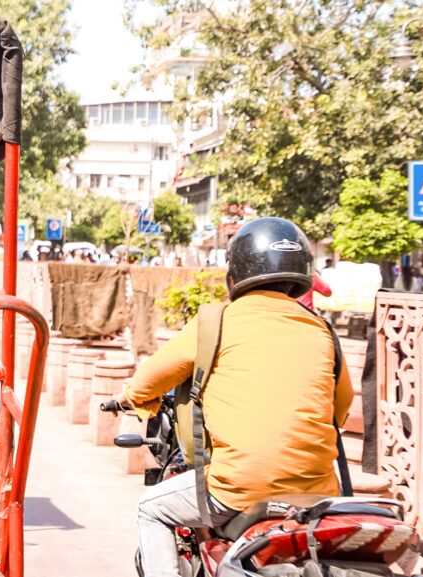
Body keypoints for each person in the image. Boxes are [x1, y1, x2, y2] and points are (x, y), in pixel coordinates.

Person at [115, 217, 353, 577]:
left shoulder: (216, 321)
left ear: (233, 277)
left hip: (239, 489)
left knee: (151, 508)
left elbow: (148, 380)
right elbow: (340, 409)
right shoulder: (323, 331)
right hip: (318, 494)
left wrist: (129, 399)